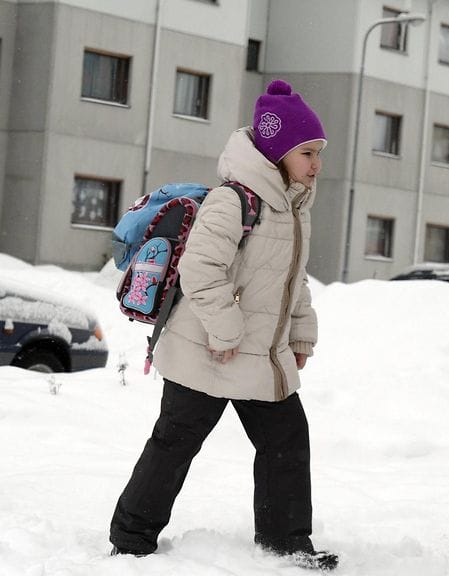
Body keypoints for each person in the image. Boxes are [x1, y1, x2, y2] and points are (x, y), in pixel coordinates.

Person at [109, 79, 337, 570]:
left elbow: (292, 280)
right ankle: (130, 542)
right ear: (277, 152)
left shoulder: (293, 207)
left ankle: (286, 547)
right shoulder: (234, 200)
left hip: (259, 355)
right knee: (174, 444)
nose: (316, 164)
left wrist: (300, 332)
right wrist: (226, 331)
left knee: (287, 444)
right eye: (307, 153)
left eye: (319, 152)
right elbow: (199, 270)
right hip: (206, 349)